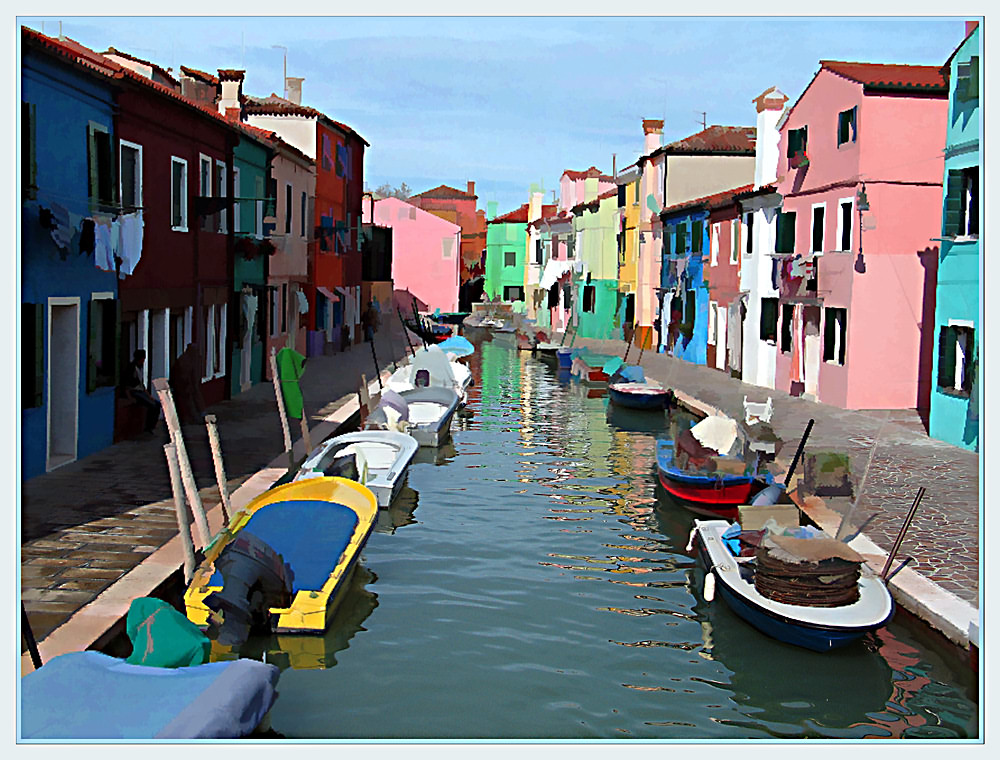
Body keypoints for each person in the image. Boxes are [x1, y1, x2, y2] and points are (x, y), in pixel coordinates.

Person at [123, 349, 160, 433]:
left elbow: (142, 385)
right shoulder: (131, 368)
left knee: (157, 404)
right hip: (134, 392)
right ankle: (148, 427)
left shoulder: (139, 368)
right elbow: (127, 384)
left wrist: (149, 395)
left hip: (140, 391)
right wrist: (129, 396)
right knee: (152, 406)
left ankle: (152, 426)